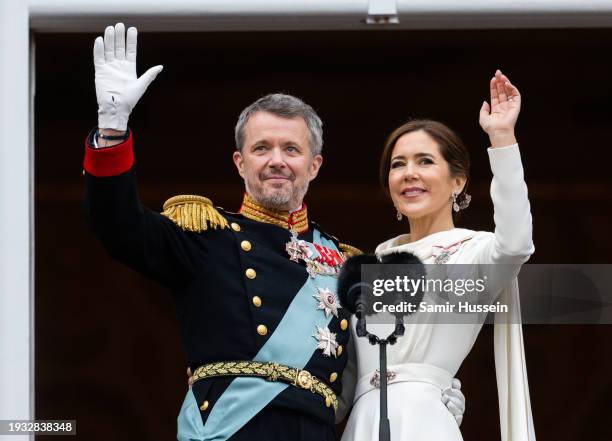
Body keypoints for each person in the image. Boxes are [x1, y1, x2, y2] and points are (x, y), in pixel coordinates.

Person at [83, 23, 465, 441]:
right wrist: (113, 131)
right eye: (261, 148)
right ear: (239, 162)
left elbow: (382, 357)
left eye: (291, 149)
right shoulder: (205, 236)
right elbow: (118, 227)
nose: (276, 160)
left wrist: (423, 391)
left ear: (314, 165)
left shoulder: (347, 265)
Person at [340, 70, 536, 441]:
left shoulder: (473, 253)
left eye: (425, 161)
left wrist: (502, 138)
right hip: (361, 424)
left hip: (424, 423)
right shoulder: (367, 267)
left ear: (457, 181)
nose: (409, 173)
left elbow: (516, 243)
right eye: (398, 165)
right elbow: (342, 381)